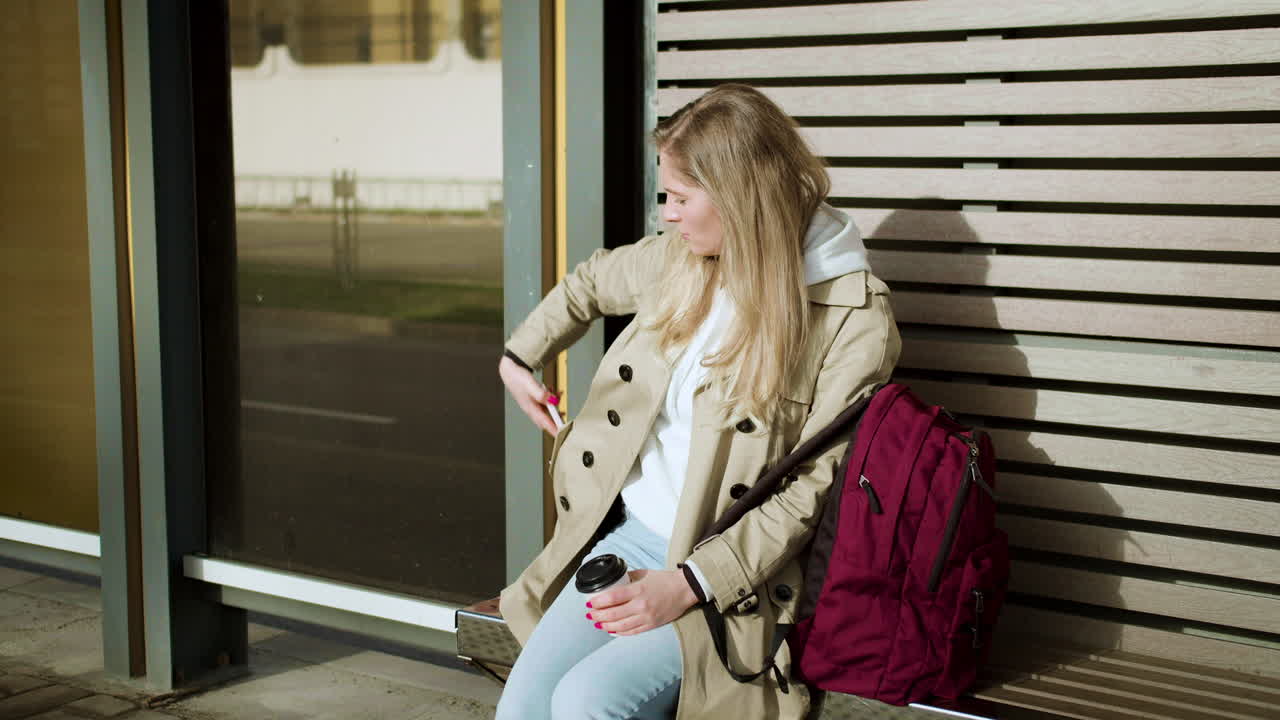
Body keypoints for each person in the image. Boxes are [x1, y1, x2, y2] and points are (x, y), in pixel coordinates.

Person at [494, 83, 901, 720]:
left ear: (739, 199)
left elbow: (808, 493)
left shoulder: (852, 318)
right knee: (521, 711)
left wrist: (687, 584)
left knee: (585, 704)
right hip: (626, 545)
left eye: (681, 198)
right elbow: (591, 283)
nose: (668, 214)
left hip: (735, 583)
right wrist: (521, 356)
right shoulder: (683, 259)